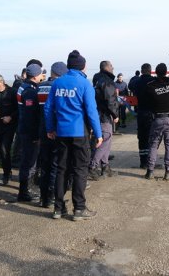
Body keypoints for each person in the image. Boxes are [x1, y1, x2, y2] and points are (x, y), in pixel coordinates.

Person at [44, 50, 102, 221]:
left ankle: (58, 209)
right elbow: (91, 111)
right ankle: (79, 209)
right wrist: (98, 133)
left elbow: (48, 108)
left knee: (61, 169)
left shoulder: (57, 83)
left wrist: (50, 128)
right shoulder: (85, 84)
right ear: (83, 66)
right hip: (79, 133)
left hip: (61, 132)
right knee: (80, 170)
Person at [144, 49, 169, 181]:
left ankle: (150, 172)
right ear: (166, 72)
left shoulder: (150, 86)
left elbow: (146, 100)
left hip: (157, 119)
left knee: (154, 145)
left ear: (155, 72)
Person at [36, 61, 67, 209]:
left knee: (45, 165)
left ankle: (43, 198)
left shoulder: (40, 87)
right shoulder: (61, 87)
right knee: (56, 165)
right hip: (56, 130)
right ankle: (53, 196)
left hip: (42, 130)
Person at [16, 63, 45, 203]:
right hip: (29, 132)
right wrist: (35, 135)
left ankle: (26, 189)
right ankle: (25, 191)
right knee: (29, 163)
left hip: (24, 129)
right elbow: (29, 115)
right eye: (40, 73)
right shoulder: (30, 91)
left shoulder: (24, 86)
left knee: (27, 162)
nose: (42, 76)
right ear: (35, 76)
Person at [88, 61, 118, 181]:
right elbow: (110, 100)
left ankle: (105, 167)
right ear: (107, 68)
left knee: (107, 141)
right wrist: (115, 114)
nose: (113, 68)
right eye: (111, 66)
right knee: (105, 140)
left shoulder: (97, 79)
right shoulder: (107, 81)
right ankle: (92, 166)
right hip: (104, 116)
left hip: (97, 114)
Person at [131, 64, 156, 168]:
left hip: (141, 112)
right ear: (150, 71)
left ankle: (143, 162)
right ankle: (150, 162)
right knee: (152, 138)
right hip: (151, 113)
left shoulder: (137, 82)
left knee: (142, 138)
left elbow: (130, 85)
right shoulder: (154, 81)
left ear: (141, 71)